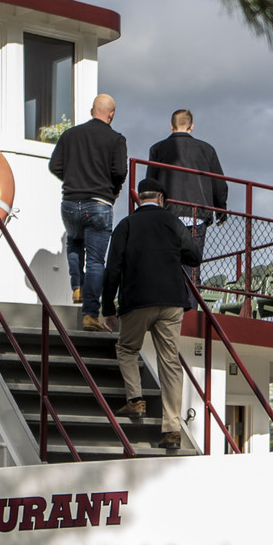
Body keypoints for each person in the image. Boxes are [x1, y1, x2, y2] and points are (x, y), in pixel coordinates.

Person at [101, 177, 201, 451]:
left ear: (138, 199)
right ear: (161, 199)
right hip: (171, 302)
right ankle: (171, 430)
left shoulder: (127, 225)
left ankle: (135, 400)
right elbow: (194, 255)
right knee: (169, 362)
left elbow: (112, 269)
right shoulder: (173, 223)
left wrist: (108, 308)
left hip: (137, 300)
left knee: (126, 348)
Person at [50, 92, 127, 331]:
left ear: (92, 109)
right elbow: (120, 172)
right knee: (95, 260)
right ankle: (90, 315)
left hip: (71, 202)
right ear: (111, 114)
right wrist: (113, 191)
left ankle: (77, 286)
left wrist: (72, 179)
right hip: (99, 203)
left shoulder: (70, 135)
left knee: (74, 242)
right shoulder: (116, 139)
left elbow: (55, 165)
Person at [145, 109, 228, 258]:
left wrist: (150, 212)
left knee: (167, 261)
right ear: (192, 126)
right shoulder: (207, 150)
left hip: (167, 213)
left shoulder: (157, 149)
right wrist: (221, 211)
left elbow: (151, 183)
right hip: (197, 213)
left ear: (171, 126)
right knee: (192, 265)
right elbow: (219, 184)